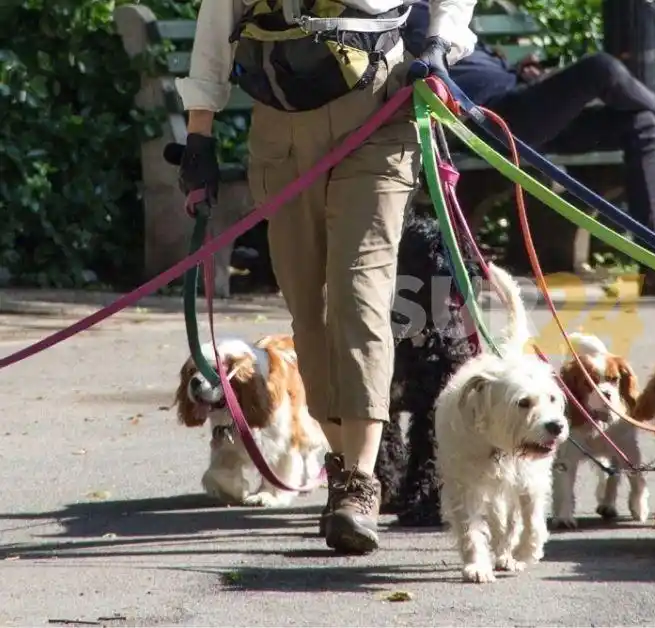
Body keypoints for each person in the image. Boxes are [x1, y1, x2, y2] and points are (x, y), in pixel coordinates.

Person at [174, 0, 478, 555]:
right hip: (281, 124)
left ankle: (360, 482)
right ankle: (341, 466)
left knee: (358, 294)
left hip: (378, 110)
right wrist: (199, 137)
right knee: (308, 308)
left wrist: (439, 43)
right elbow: (217, 21)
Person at [403, 0, 655, 294]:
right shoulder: (408, 16)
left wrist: (525, 74)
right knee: (600, 68)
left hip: (526, 109)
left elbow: (476, 67)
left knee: (640, 122)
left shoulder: (443, 12)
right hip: (492, 119)